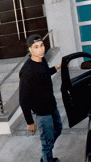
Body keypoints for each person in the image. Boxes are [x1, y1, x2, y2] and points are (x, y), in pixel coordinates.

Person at [19, 34, 63, 162]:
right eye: (36, 47)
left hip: (52, 107)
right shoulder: (27, 71)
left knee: (58, 130)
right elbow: (23, 99)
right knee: (46, 142)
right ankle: (47, 158)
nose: (41, 49)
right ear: (30, 50)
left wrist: (57, 67)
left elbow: (44, 73)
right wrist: (29, 122)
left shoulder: (42, 60)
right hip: (42, 114)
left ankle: (46, 154)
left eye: (42, 45)